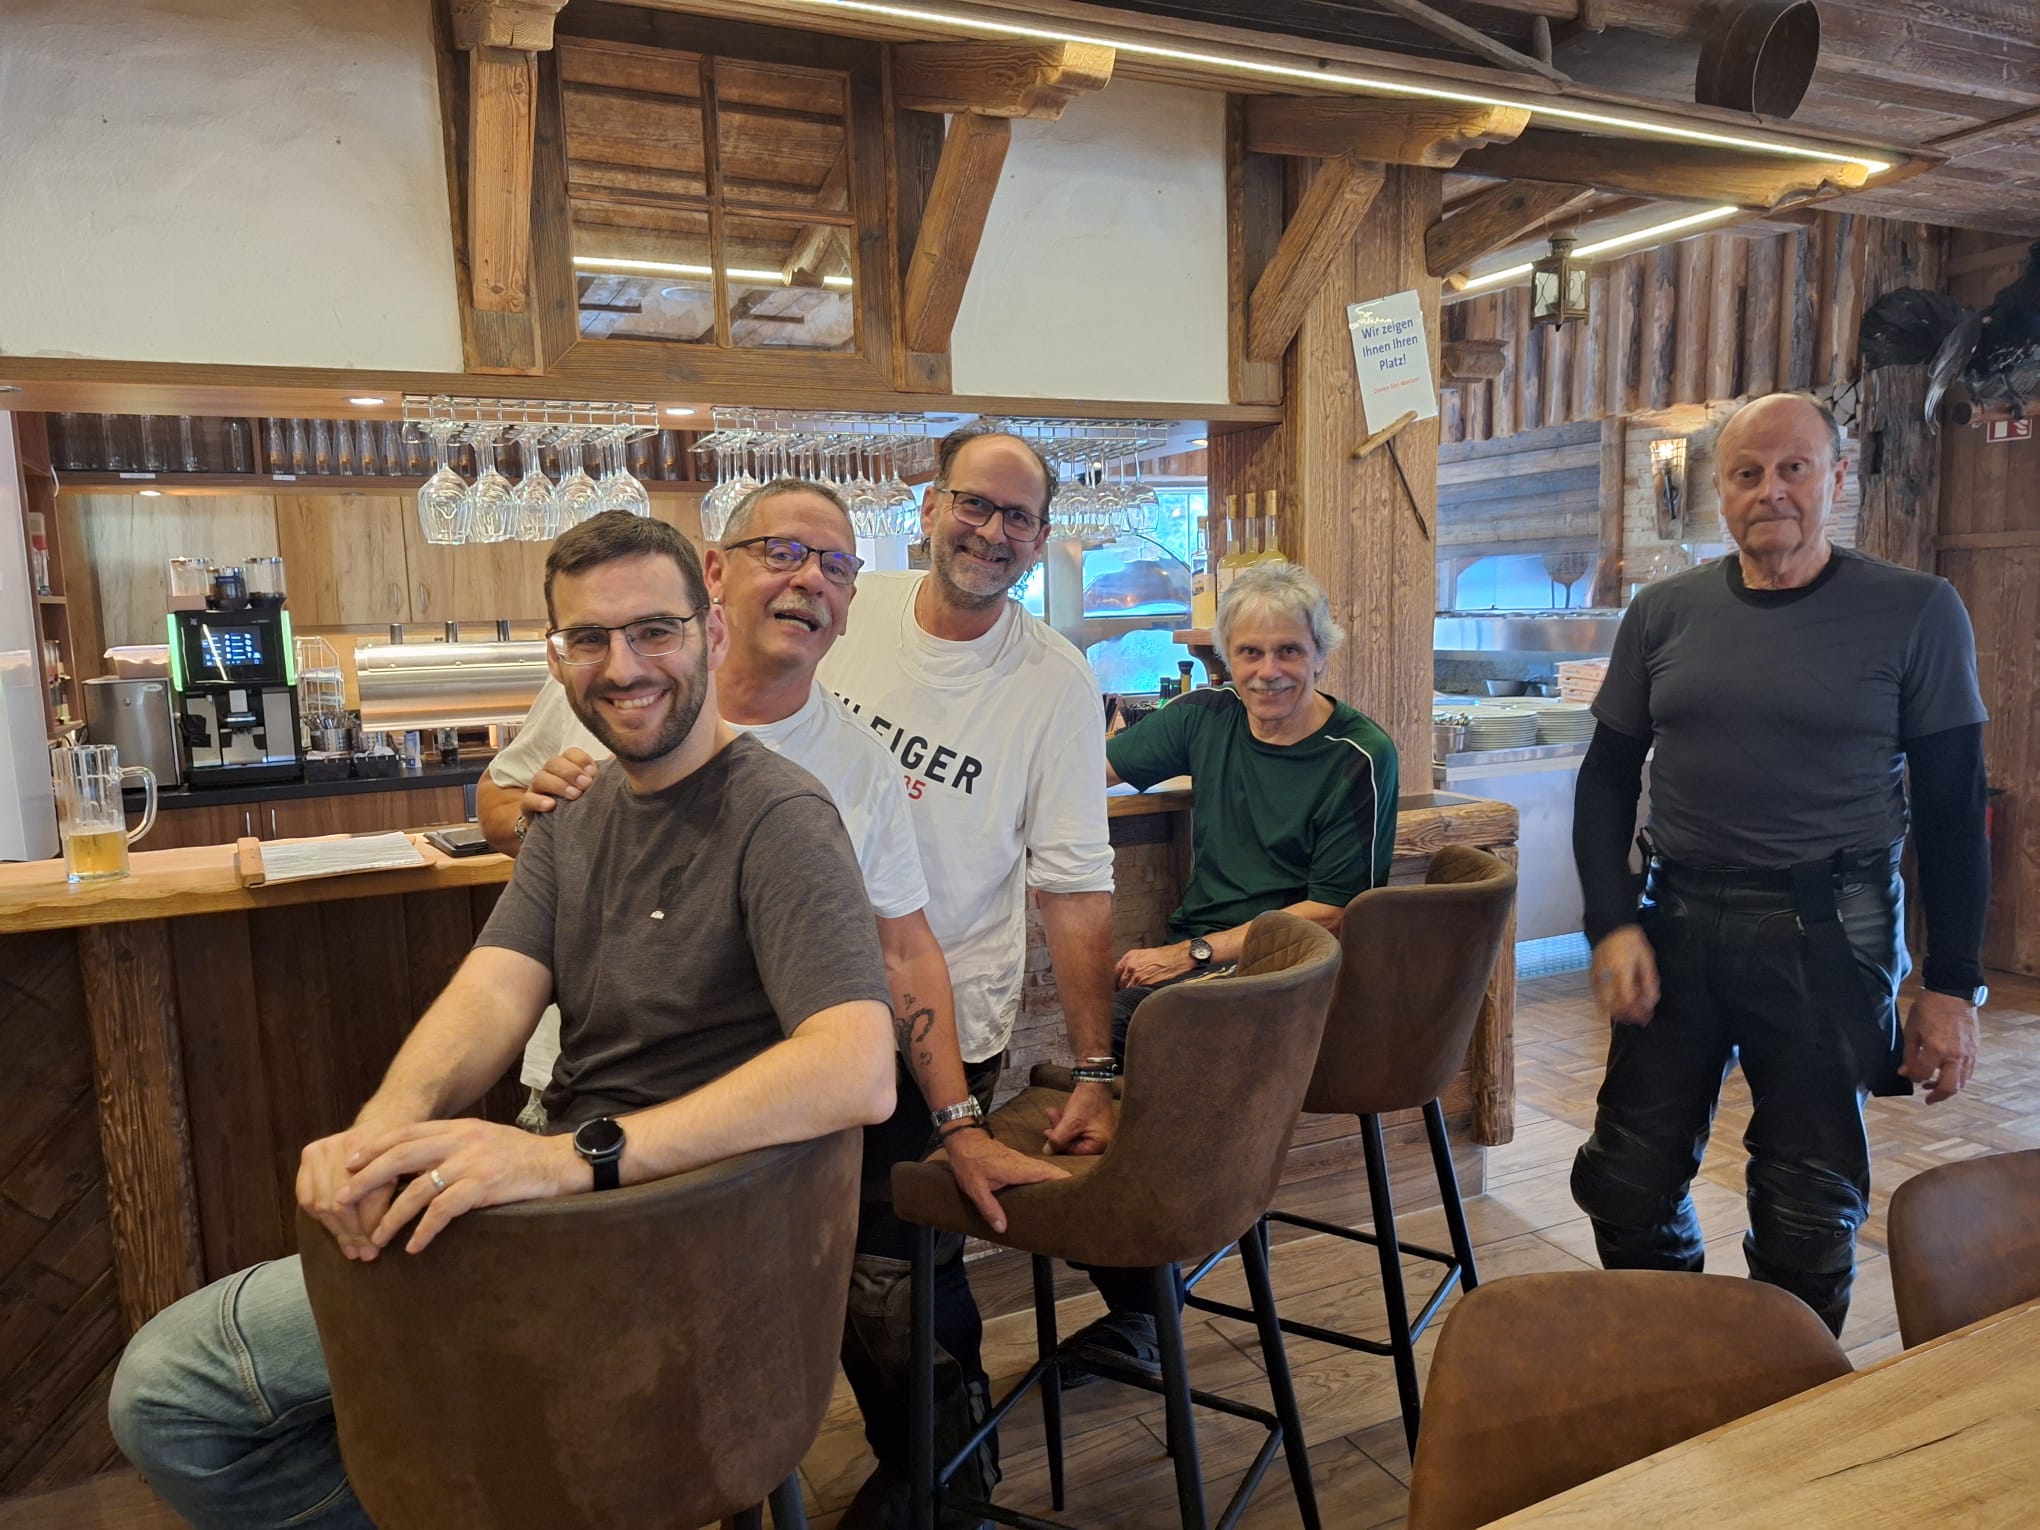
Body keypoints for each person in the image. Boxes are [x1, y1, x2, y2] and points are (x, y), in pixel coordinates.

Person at [108, 513, 898, 1529]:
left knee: (173, 1393)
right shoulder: (577, 813)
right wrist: (382, 1131)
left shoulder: (780, 817)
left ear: (709, 632)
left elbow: (856, 1067)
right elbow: (492, 991)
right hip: (557, 1221)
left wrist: (568, 1160)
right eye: (589, 638)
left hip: (668, 1247)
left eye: (653, 631)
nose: (624, 666)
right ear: (557, 658)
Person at [479, 480, 1063, 1526]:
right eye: (782, 552)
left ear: (850, 604)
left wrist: (960, 1122)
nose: (810, 581)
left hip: (756, 1125)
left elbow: (903, 947)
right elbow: (495, 801)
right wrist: (526, 807)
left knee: (877, 1277)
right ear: (716, 577)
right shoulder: (618, 679)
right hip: (586, 1095)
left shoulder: (852, 767)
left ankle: (938, 1484)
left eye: (836, 566)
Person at [1570, 392, 1991, 1337]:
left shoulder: (1916, 610)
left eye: (1794, 468)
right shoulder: (1664, 612)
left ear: (1837, 479)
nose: (1772, 491)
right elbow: (1606, 778)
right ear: (1721, 492)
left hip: (1831, 925)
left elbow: (1955, 810)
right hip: (1676, 919)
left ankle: (1786, 1388)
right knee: (1625, 1180)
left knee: (1807, 1207)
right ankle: (1684, 1351)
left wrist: (1952, 985)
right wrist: (1612, 921)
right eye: (1747, 473)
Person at [812, 427, 1121, 1485]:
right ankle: (925, 1466)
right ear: (930, 506)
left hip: (939, 1014)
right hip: (798, 1005)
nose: (992, 532)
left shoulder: (1053, 680)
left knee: (897, 1262)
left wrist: (1095, 1068)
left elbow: (1074, 888)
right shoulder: (845, 611)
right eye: (975, 505)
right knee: (819, 1252)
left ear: (1040, 536)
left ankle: (946, 1483)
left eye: (1018, 516)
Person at [1072, 559, 1399, 1371]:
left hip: (1296, 975)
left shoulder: (1359, 754)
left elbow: (1331, 911)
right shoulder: (1208, 716)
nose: (1268, 672)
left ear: (1321, 653)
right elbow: (1084, 769)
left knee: (1127, 1036)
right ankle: (1147, 1282)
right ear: (1227, 658)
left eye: (1289, 651)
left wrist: (1190, 952)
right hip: (1209, 972)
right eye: (1250, 653)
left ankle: (1148, 1296)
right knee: (1110, 1054)